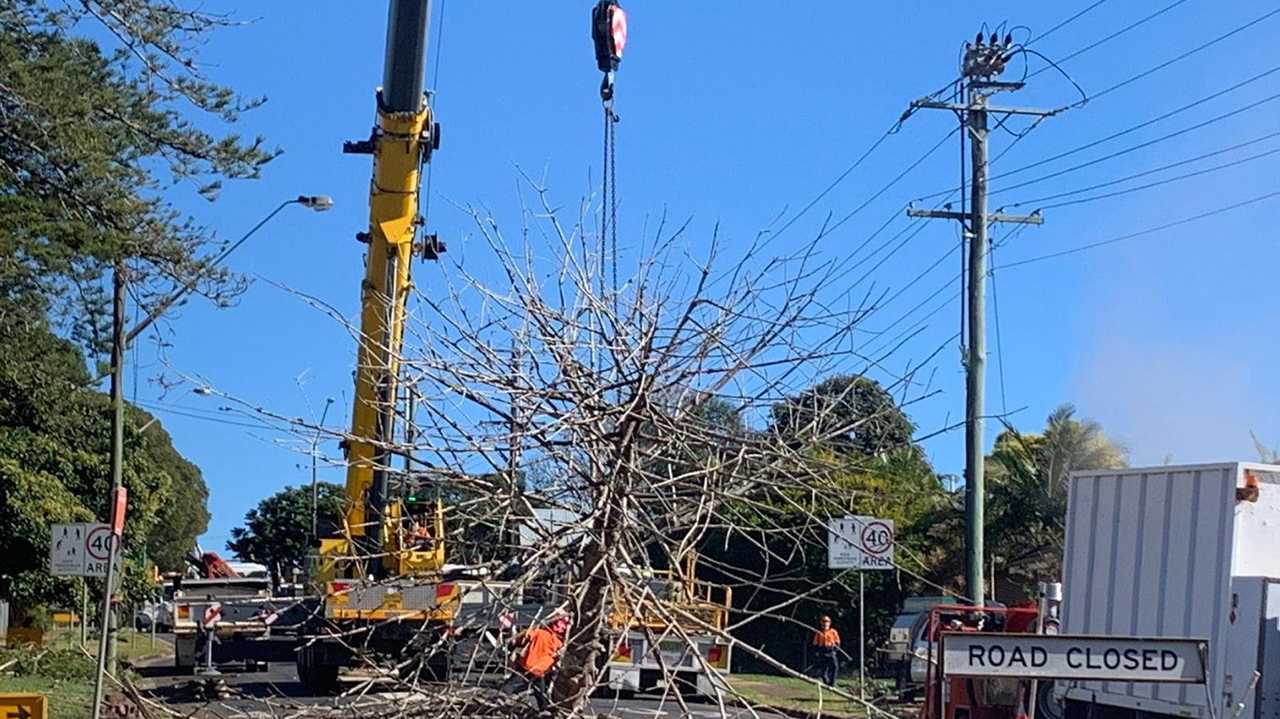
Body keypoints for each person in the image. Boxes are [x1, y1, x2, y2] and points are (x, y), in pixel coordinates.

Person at [503, 613, 570, 711]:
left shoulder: (539, 632)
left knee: (513, 683)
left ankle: (502, 696)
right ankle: (544, 709)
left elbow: (525, 636)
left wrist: (517, 640)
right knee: (540, 692)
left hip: (527, 665)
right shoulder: (558, 642)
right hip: (539, 670)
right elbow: (557, 656)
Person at [810, 615, 841, 687]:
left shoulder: (833, 631)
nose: (825, 623)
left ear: (829, 623)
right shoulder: (818, 632)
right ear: (821, 623)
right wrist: (816, 652)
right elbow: (815, 644)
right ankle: (826, 682)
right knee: (823, 670)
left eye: (827, 622)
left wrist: (835, 650)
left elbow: (838, 642)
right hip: (822, 651)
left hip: (831, 651)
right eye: (823, 622)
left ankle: (832, 683)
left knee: (835, 667)